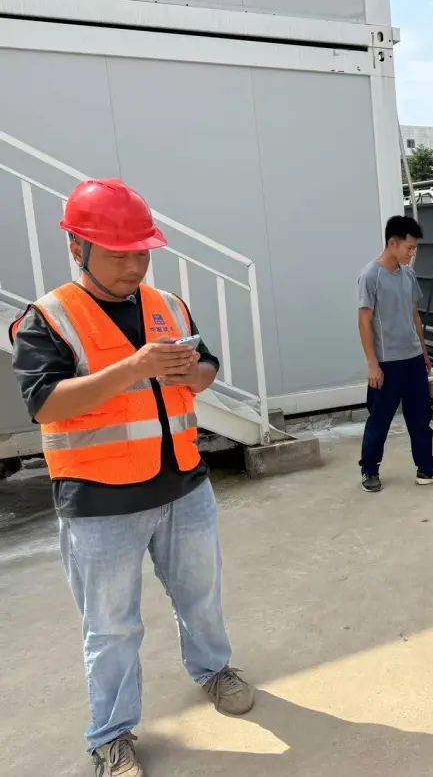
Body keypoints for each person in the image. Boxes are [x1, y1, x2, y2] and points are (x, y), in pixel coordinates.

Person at [8, 178, 254, 777]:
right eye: (118, 253)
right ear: (77, 247)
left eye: (141, 252)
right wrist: (133, 367)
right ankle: (111, 736)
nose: (134, 265)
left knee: (202, 596)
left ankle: (213, 669)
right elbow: (46, 404)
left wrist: (192, 374)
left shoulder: (168, 306)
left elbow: (207, 368)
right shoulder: (48, 318)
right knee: (112, 627)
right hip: (101, 503)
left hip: (184, 485)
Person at [357, 215, 433, 492]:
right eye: (409, 247)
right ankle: (369, 470)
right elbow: (364, 321)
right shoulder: (370, 276)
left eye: (414, 248)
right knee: (379, 420)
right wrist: (372, 363)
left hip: (413, 360)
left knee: (420, 419)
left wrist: (424, 352)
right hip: (386, 363)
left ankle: (427, 467)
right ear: (393, 243)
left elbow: (414, 316)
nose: (412, 253)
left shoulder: (408, 275)